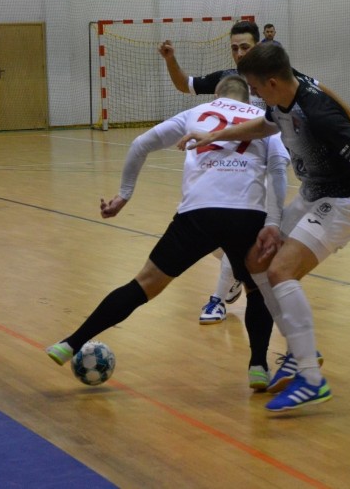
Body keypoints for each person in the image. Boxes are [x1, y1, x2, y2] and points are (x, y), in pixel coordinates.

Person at [179, 43, 350, 412]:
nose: (255, 96)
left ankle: (311, 379)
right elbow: (266, 124)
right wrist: (216, 136)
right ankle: (299, 351)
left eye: (258, 89)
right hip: (315, 193)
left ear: (273, 82)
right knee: (256, 262)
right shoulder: (282, 97)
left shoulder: (318, 112)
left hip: (345, 201)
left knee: (281, 270)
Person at [46, 75, 290, 392]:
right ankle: (258, 365)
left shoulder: (197, 113)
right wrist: (273, 221)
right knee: (257, 288)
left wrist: (124, 194)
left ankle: (70, 343)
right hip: (246, 213)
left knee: (144, 284)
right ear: (248, 98)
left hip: (198, 212)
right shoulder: (262, 120)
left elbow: (140, 145)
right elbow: (279, 171)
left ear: (216, 95)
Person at [158, 19, 350, 324]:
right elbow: (183, 84)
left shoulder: (280, 77)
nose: (239, 54)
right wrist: (171, 60)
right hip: (232, 165)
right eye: (235, 48)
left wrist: (340, 123)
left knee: (250, 236)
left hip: (270, 164)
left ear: (260, 48)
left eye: (245, 47)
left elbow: (337, 108)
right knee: (224, 236)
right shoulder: (227, 79)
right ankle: (239, 277)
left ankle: (219, 299)